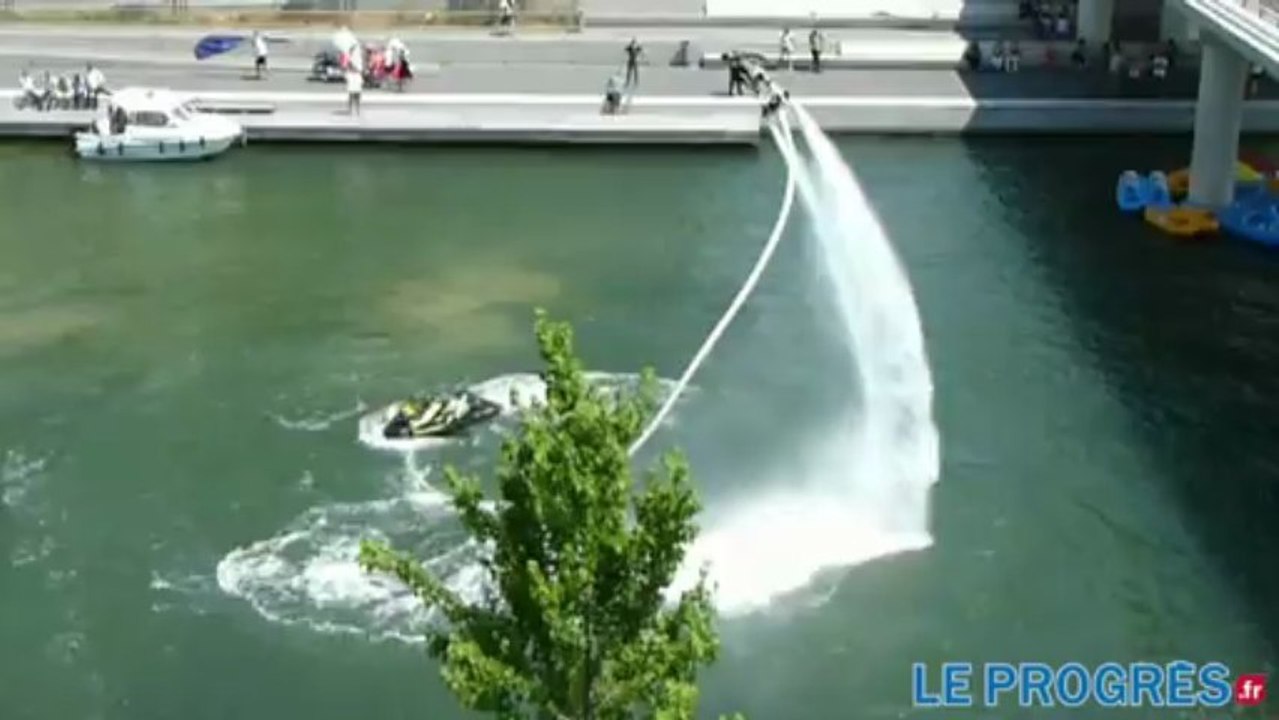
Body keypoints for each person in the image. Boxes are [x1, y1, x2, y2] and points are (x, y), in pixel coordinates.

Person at [346, 50, 364, 116]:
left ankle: (354, 110)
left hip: (355, 85)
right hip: (354, 85)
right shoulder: (352, 73)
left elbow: (361, 81)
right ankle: (354, 110)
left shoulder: (353, 73)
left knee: (354, 98)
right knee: (354, 98)